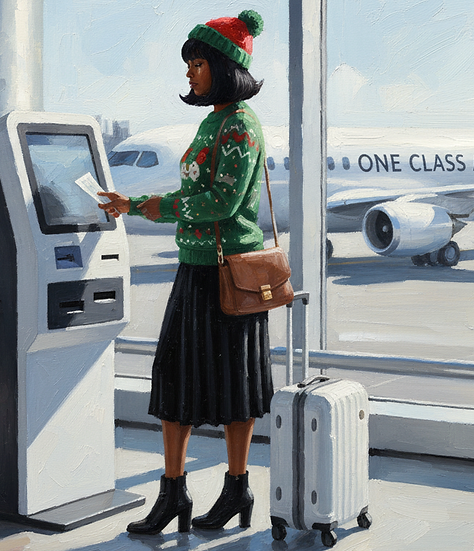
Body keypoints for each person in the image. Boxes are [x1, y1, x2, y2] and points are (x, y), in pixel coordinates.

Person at [97, 10, 271, 536]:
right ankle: (174, 493)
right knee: (174, 385)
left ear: (224, 66)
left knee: (234, 389)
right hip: (195, 273)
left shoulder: (241, 126)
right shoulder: (211, 122)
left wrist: (145, 206)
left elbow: (220, 202)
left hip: (227, 277)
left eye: (198, 63)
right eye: (190, 64)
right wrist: (150, 205)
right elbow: (201, 195)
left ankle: (237, 488)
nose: (190, 74)